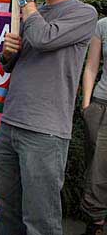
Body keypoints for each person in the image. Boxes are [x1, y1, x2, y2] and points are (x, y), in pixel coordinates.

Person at [0, 0, 97, 235]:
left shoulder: (83, 13)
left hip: (45, 131)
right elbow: (11, 67)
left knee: (40, 221)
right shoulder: (32, 12)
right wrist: (8, 55)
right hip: (11, 122)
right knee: (9, 212)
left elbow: (42, 38)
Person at [81, 16, 107, 235]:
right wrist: (86, 104)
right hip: (101, 105)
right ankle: (96, 225)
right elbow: (91, 67)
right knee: (97, 170)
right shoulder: (103, 25)